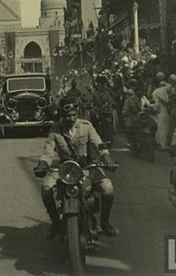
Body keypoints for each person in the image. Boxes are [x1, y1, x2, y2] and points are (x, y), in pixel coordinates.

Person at [33, 97, 117, 239]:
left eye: (74, 115)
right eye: (67, 116)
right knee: (46, 188)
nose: (71, 118)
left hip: (87, 167)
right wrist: (43, 165)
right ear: (62, 114)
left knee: (108, 188)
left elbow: (99, 145)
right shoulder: (55, 131)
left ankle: (104, 223)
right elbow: (48, 152)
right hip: (65, 169)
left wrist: (107, 159)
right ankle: (55, 223)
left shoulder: (86, 126)